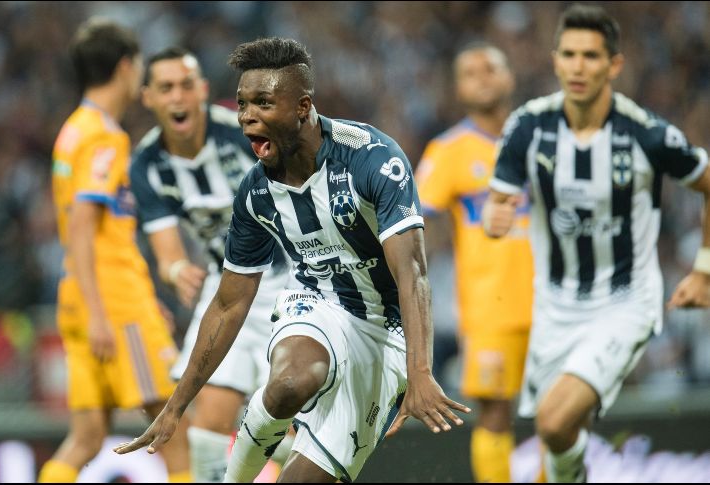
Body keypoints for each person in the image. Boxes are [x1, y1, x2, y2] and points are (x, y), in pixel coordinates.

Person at [115, 37, 470, 483]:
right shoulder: (256, 191)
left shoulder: (372, 159)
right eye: (243, 103)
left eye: (263, 103)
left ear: (302, 107)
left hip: (387, 333)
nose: (247, 116)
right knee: (289, 381)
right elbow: (228, 303)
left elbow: (411, 272)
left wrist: (419, 371)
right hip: (316, 302)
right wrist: (176, 406)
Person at [483, 4, 710, 482]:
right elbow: (497, 199)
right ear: (555, 60)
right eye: (569, 54)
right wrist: (496, 213)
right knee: (555, 432)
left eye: (590, 55)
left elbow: (707, 182)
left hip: (623, 302)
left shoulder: (646, 134)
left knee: (554, 420)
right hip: (555, 305)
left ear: (614, 65)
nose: (578, 66)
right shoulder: (528, 126)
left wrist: (703, 267)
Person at [38, 18, 190, 483]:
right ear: (126, 67)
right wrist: (111, 313)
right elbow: (84, 228)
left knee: (86, 436)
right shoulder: (104, 137)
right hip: (114, 303)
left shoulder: (72, 131)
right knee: (173, 427)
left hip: (84, 299)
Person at [131, 46, 292, 482]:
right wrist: (176, 271)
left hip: (290, 282)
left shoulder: (243, 135)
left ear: (202, 90)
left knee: (295, 423)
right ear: (148, 97)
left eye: (187, 85)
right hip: (227, 288)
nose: (178, 97)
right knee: (208, 425)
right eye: (166, 88)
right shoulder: (146, 166)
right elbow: (167, 253)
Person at [415, 43, 532, 483]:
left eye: (491, 68)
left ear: (509, 76)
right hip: (491, 306)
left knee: (563, 411)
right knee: (497, 413)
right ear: (458, 88)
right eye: (470, 72)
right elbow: (413, 220)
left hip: (558, 300)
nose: (483, 77)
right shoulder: (450, 150)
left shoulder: (540, 136)